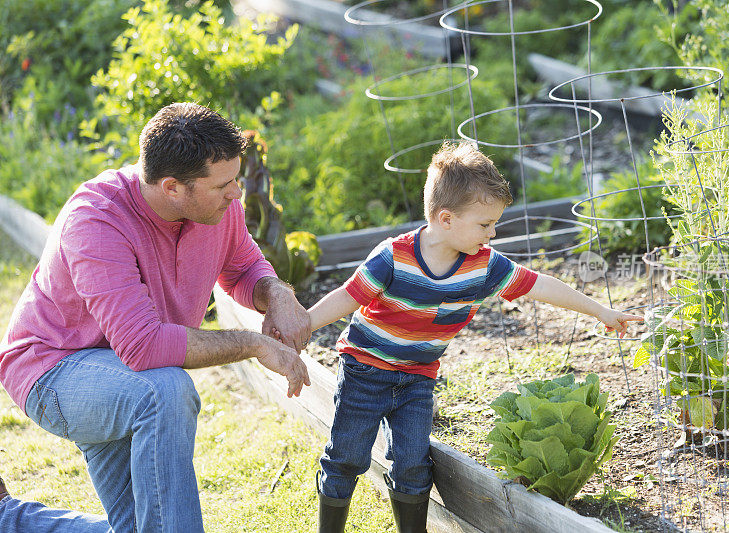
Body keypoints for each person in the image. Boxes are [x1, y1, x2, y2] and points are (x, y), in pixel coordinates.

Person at [0, 102, 312, 533]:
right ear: (172, 188)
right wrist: (255, 344)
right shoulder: (96, 221)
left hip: (125, 375)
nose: (236, 193)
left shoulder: (215, 207)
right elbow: (143, 346)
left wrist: (277, 292)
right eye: (223, 184)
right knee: (164, 391)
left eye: (235, 179)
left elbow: (242, 269)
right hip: (55, 370)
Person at [304, 141, 642, 533]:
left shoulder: (484, 266)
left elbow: (541, 285)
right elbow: (348, 297)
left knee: (413, 464)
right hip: (365, 371)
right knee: (346, 458)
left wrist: (601, 310)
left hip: (417, 380)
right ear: (446, 219)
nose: (493, 233)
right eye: (485, 224)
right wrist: (302, 326)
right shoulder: (392, 257)